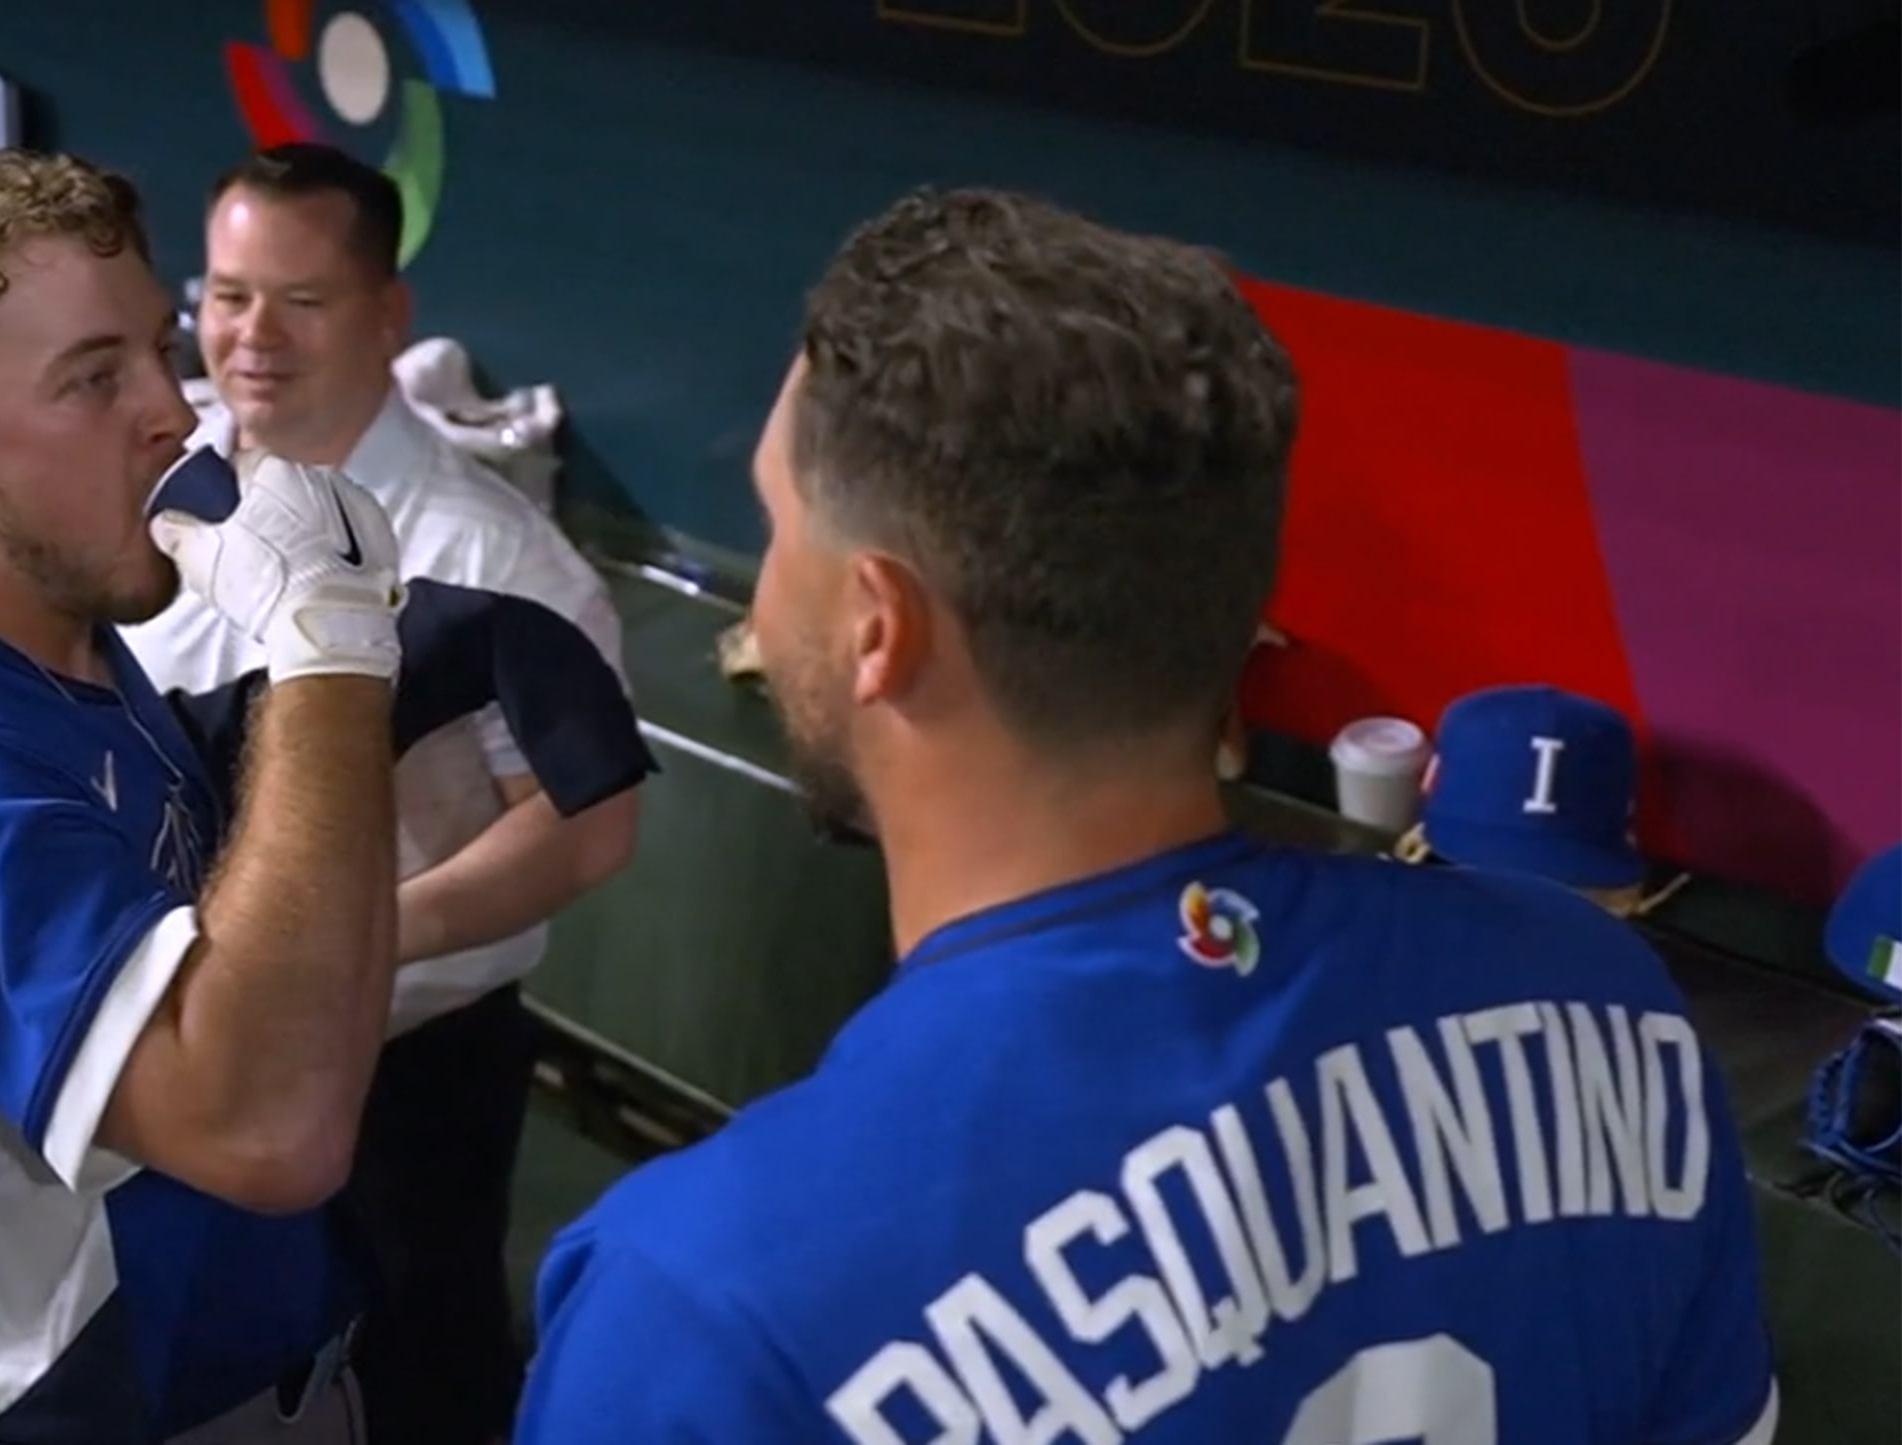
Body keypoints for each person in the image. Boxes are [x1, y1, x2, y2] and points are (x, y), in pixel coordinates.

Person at [514, 187, 1781, 1444]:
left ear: (875, 627)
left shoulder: (705, 1313)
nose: (767, 576)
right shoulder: (1606, 1004)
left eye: (780, 520)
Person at [0, 148, 412, 1445]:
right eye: (90, 379)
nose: (173, 411)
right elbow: (269, 1128)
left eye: (157, 350)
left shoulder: (53, 634)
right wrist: (329, 662)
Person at [121, 142, 640, 1445]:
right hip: (169, 1024)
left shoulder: (494, 556)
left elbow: (589, 827)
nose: (253, 337)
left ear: (387, 313)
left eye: (302, 302)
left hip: (402, 1067)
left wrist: (362, 935)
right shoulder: (162, 488)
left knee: (418, 1374)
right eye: (229, 296)